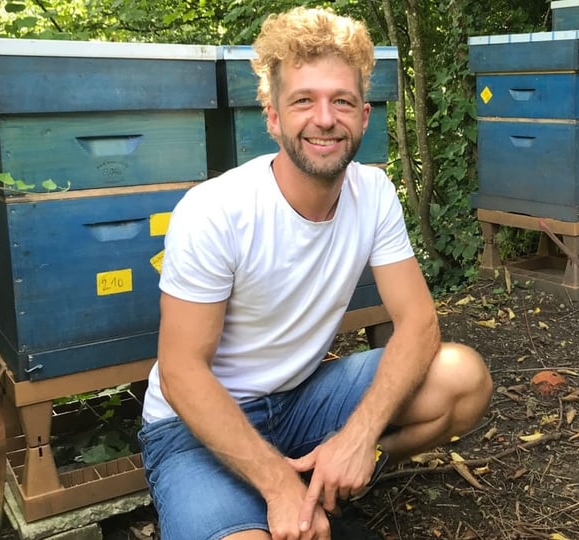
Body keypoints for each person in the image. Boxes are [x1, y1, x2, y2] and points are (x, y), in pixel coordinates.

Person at [137, 7, 493, 540]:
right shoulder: (216, 210)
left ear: (364, 116)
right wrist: (278, 486)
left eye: (341, 101)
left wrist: (359, 437)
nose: (324, 119)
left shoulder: (373, 195)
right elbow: (182, 372)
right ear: (273, 116)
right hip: (194, 426)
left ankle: (335, 475)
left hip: (301, 402)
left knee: (463, 378)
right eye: (304, 100)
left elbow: (419, 323)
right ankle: (290, 490)